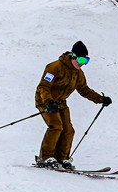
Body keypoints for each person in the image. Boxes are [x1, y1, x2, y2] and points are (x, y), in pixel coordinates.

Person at [34, 41, 112, 170]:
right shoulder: (54, 67)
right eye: (81, 59)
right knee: (56, 126)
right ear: (73, 56)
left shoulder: (78, 73)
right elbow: (43, 87)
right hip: (45, 101)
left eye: (86, 61)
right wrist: (49, 102)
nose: (82, 64)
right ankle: (45, 158)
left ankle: (62, 158)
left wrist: (101, 99)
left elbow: (84, 90)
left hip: (60, 102)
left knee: (69, 130)